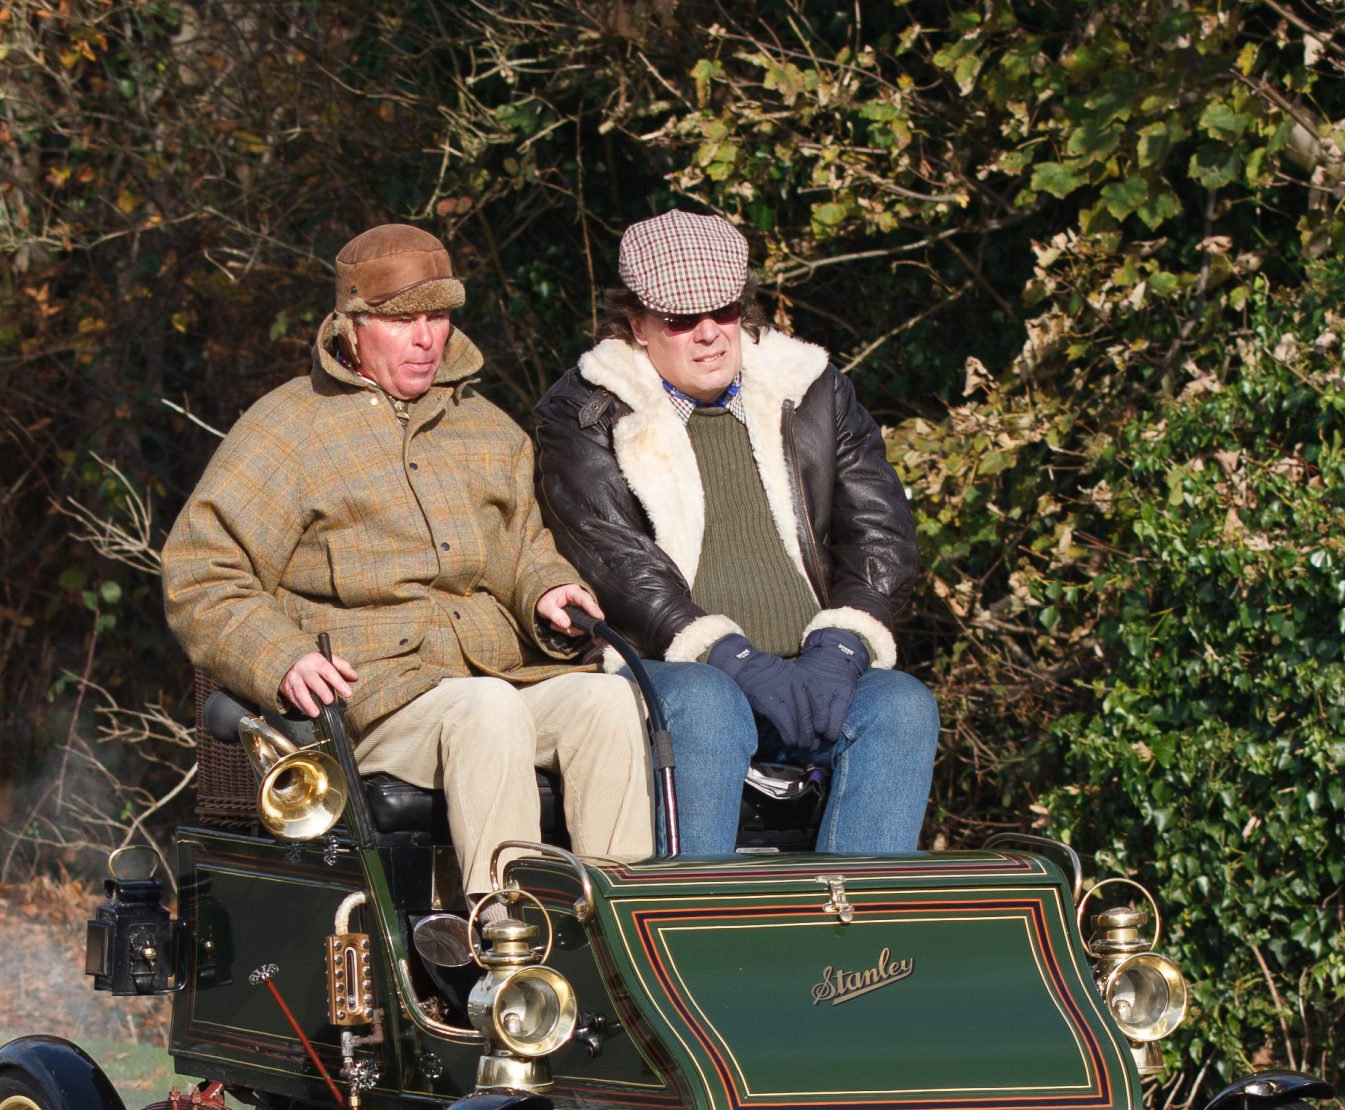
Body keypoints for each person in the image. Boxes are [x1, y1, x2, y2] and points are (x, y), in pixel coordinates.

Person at [162, 223, 652, 894]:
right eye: (403, 320)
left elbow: (524, 548)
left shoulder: (487, 427)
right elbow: (200, 571)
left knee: (607, 702)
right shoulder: (287, 429)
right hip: (374, 703)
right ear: (353, 324)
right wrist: (280, 656)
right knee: (487, 710)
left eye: (440, 316)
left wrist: (546, 589)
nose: (427, 337)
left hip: (496, 677)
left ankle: (614, 937)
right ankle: (505, 949)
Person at [532, 210, 937, 856]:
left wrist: (842, 646)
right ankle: (692, 934)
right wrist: (731, 657)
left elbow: (881, 534)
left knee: (901, 706)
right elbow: (617, 563)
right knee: (710, 706)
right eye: (681, 320)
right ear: (636, 324)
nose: (709, 334)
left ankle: (854, 942)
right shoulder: (586, 410)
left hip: (809, 665)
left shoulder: (813, 390)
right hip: (670, 666)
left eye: (723, 312)